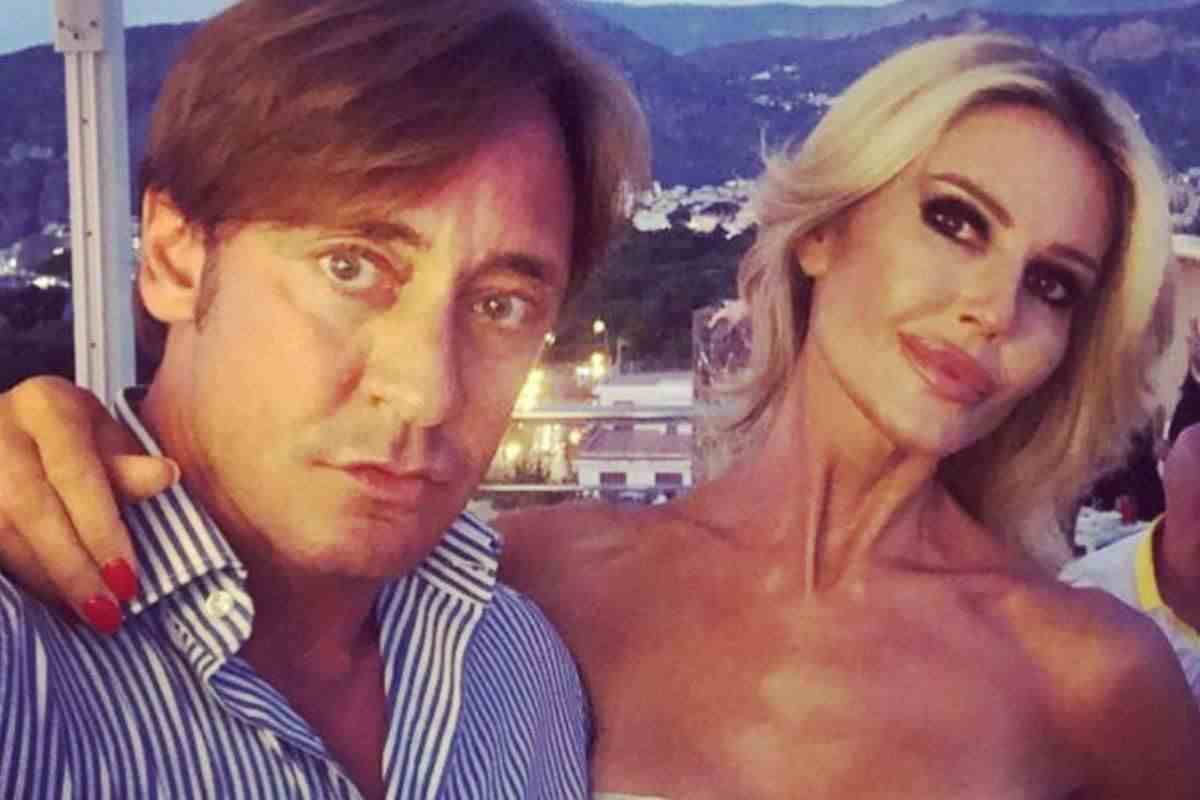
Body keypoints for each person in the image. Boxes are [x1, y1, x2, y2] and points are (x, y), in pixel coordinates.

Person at [2, 32, 1199, 799]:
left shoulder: (1092, 677)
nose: (993, 307)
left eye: (1055, 285)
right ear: (827, 228)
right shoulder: (534, 583)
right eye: (955, 220)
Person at [0, 0, 647, 797]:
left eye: (499, 305)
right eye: (351, 267)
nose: (425, 393)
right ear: (173, 257)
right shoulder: (24, 661)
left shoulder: (521, 673)